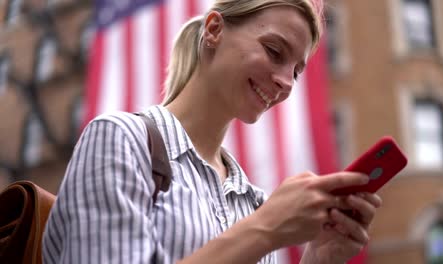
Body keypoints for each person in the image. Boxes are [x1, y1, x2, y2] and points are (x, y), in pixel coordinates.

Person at [42, 0, 382, 263]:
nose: (285, 82)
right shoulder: (121, 139)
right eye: (274, 51)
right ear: (214, 30)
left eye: (296, 71)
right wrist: (264, 230)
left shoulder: (254, 202)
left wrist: (317, 259)